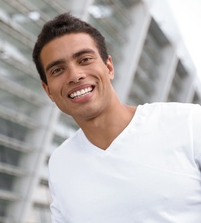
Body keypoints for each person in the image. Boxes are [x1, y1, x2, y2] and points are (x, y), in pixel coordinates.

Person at [32, 12, 201, 222]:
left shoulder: (189, 123)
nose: (75, 76)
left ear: (109, 67)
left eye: (85, 59)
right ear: (48, 91)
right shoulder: (60, 164)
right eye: (58, 70)